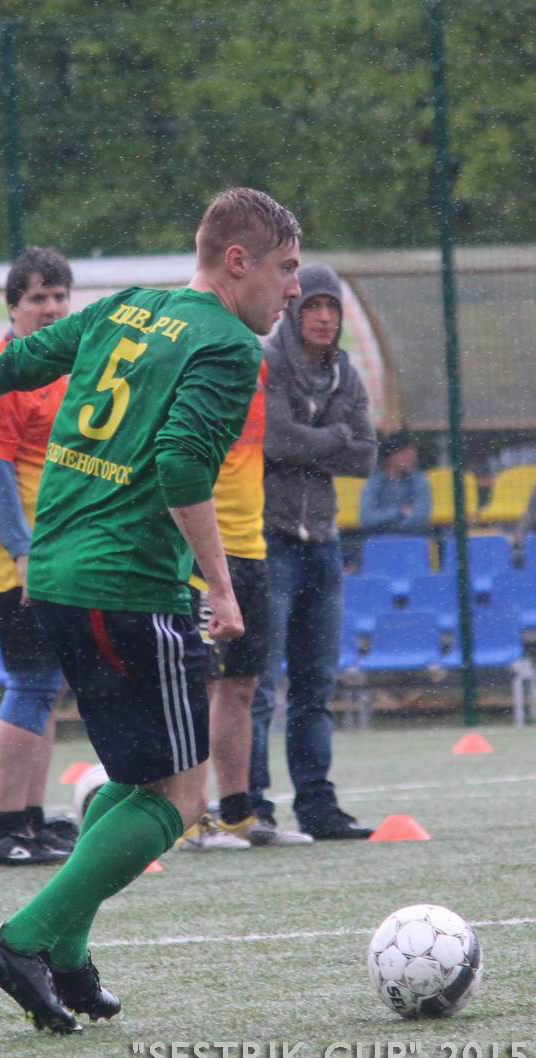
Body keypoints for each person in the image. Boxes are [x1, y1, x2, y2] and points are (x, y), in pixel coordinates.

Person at [0, 187, 302, 1033]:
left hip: (56, 573)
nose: (292, 289)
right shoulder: (226, 347)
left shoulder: (127, 307)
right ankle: (22, 939)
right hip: (129, 583)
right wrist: (220, 584)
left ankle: (67, 954)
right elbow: (179, 465)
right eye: (285, 269)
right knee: (180, 796)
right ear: (236, 260)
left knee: (132, 781)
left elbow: (9, 365)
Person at [248, 263, 378, 842]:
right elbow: (273, 439)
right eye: (314, 306)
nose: (324, 318)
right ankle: (252, 805)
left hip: (324, 544)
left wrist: (313, 445)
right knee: (258, 684)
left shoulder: (346, 373)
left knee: (315, 686)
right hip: (269, 539)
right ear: (295, 312)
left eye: (332, 307)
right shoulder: (267, 365)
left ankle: (318, 807)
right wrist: (332, 438)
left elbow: (366, 456)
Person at [0, 246, 77, 867]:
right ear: (13, 307)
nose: (51, 308)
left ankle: (30, 821)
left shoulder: (69, 370)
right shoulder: (0, 372)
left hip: (57, 558)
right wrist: (25, 553)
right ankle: (2, 828)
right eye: (37, 298)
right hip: (18, 562)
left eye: (59, 296)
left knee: (46, 686)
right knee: (31, 682)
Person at [178, 359, 313, 851]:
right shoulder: (193, 354)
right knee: (199, 684)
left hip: (251, 549)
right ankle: (190, 817)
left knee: (241, 684)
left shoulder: (257, 363)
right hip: (201, 551)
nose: (279, 321)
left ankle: (237, 813)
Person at [359, 431, 431, 535]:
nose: (412, 458)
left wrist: (386, 525)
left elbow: (421, 518)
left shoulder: (418, 479)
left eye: (413, 454)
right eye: (406, 454)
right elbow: (366, 519)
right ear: (391, 456)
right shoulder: (375, 482)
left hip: (412, 539)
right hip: (379, 540)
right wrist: (399, 512)